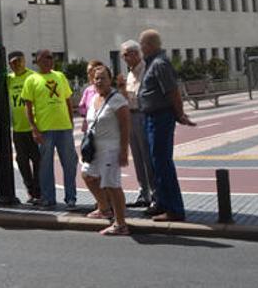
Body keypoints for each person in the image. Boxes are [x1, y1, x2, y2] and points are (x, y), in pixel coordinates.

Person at [138, 29, 196, 222]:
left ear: (151, 45)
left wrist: (179, 114)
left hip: (160, 118)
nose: (140, 48)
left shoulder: (160, 64)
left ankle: (174, 210)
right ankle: (162, 203)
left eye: (143, 44)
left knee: (162, 163)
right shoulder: (152, 63)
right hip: (151, 118)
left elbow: (173, 92)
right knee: (156, 163)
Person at [21, 50, 78, 209]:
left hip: (64, 127)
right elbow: (28, 106)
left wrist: (71, 122)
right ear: (37, 60)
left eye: (51, 58)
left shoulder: (60, 76)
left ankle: (71, 197)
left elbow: (67, 100)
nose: (49, 60)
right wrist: (34, 128)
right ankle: (48, 198)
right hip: (45, 129)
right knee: (45, 165)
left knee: (69, 164)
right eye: (45, 58)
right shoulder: (31, 79)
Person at [81, 66, 131, 236]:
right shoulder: (94, 97)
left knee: (112, 185)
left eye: (103, 78)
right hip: (95, 148)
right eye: (96, 78)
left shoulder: (117, 100)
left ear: (110, 80)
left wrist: (124, 151)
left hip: (111, 148)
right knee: (87, 175)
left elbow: (125, 126)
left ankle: (121, 223)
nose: (99, 81)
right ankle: (104, 208)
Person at [117, 40, 156, 209]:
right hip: (130, 116)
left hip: (142, 115)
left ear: (135, 53)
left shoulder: (146, 70)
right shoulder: (130, 73)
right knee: (138, 157)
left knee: (148, 157)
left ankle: (156, 194)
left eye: (126, 54)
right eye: (122, 55)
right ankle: (144, 193)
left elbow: (142, 96)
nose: (124, 58)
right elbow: (128, 97)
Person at [5, 51, 40, 205]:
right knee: (22, 161)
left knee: (38, 160)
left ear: (24, 61)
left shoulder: (33, 77)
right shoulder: (8, 79)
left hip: (34, 126)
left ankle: (39, 191)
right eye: (13, 62)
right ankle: (30, 190)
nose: (16, 64)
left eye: (19, 61)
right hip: (18, 128)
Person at [77, 60, 105, 132]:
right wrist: (87, 114)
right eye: (87, 72)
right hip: (90, 126)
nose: (88, 74)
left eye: (90, 71)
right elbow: (81, 107)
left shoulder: (107, 90)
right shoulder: (88, 90)